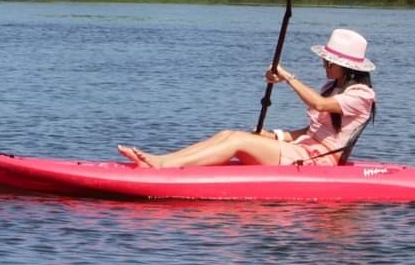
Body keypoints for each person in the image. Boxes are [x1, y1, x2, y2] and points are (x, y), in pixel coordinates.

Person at [117, 28, 376, 168]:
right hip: (303, 148)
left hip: (316, 162)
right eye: (326, 59)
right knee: (228, 134)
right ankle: (166, 159)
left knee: (239, 142)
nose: (325, 64)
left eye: (330, 61)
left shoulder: (361, 95)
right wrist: (272, 135)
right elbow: (312, 130)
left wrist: (287, 77)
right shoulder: (332, 86)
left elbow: (317, 105)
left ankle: (162, 166)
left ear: (349, 67)